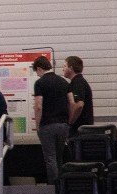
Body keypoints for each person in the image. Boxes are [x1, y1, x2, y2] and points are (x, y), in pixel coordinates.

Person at [32, 55, 74, 183]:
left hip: (47, 125)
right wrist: (69, 121)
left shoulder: (39, 83)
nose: (37, 75)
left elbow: (38, 106)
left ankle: (53, 187)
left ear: (39, 68)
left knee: (50, 158)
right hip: (63, 125)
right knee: (59, 157)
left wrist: (38, 125)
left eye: (36, 72)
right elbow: (72, 103)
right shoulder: (64, 82)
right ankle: (62, 186)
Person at [65, 56, 94, 132]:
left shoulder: (78, 82)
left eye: (65, 66)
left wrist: (70, 122)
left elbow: (79, 105)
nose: (63, 69)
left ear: (70, 68)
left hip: (80, 130)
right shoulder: (77, 82)